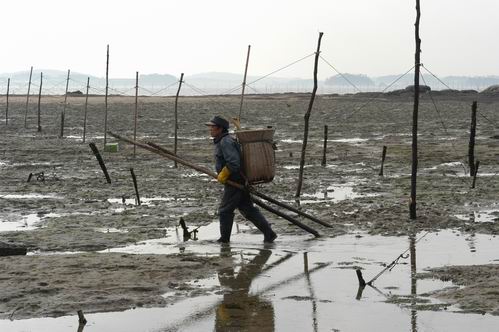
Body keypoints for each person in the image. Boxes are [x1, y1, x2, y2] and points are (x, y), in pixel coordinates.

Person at [205, 115, 277, 243]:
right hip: (237, 180)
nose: (210, 129)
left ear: (220, 129)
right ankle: (269, 233)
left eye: (213, 127)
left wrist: (223, 174)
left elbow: (234, 163)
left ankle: (224, 240)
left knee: (225, 210)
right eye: (210, 127)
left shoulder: (225, 141)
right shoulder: (222, 141)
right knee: (247, 209)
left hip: (235, 181)